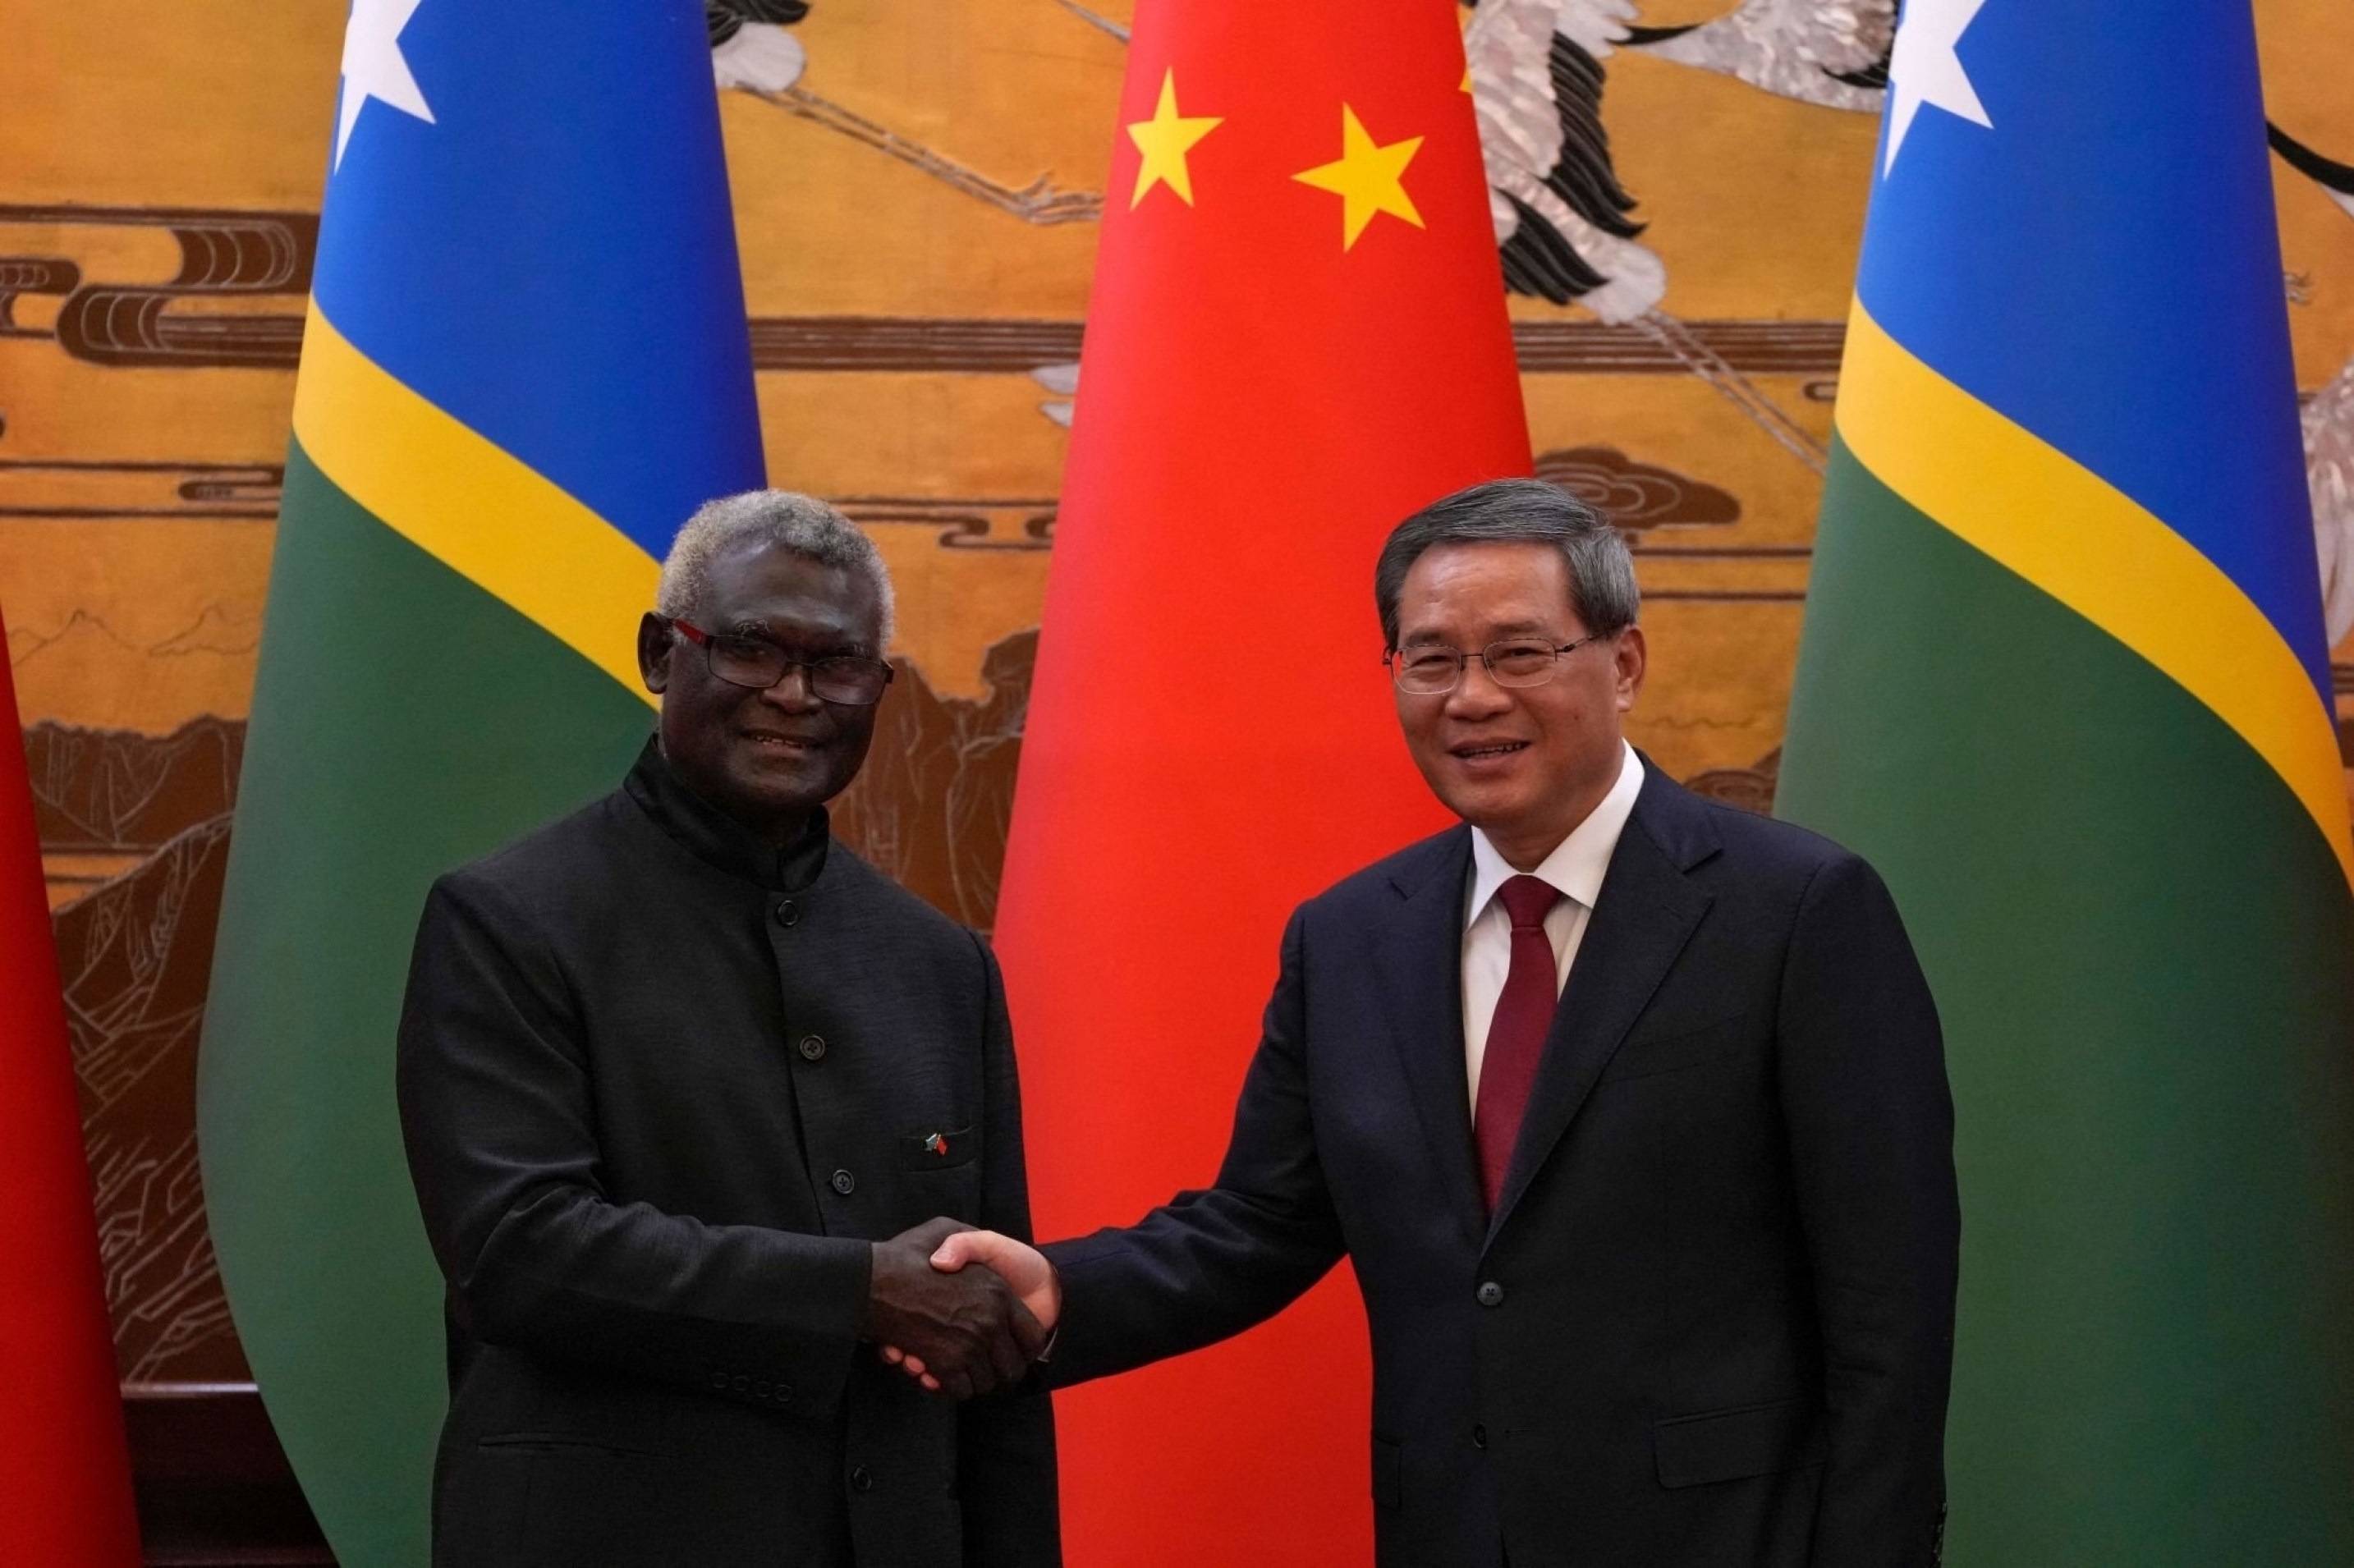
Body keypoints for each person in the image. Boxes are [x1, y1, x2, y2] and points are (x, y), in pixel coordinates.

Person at [911, 478, 1959, 1566]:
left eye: (1519, 653)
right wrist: (1058, 1289)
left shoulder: (1796, 909)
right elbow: (1259, 1225)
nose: (1471, 697)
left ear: (1626, 663)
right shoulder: (1352, 936)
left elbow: (1890, 1301)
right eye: (1432, 658)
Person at [396, 491, 1058, 1568]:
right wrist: (858, 1291)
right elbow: (518, 1253)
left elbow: (982, 1330)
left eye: (837, 663)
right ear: (664, 652)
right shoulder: (509, 921)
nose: (795, 695)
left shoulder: (942, 965)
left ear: (878, 690)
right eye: (751, 649)